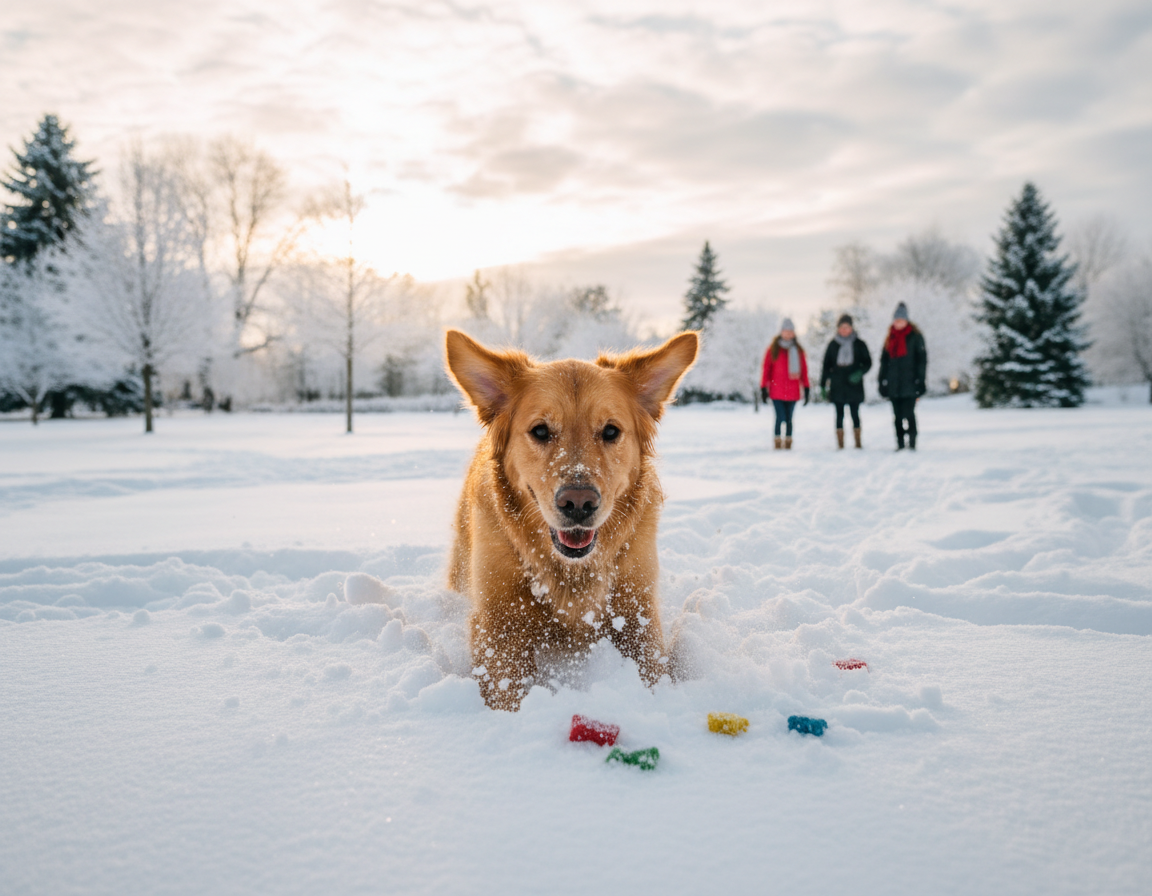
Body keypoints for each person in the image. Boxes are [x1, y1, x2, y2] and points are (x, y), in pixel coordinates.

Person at [878, 302, 928, 450]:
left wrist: (921, 380)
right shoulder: (889, 339)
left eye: (901, 320)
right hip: (894, 383)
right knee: (897, 415)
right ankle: (900, 443)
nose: (898, 322)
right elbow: (884, 362)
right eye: (896, 320)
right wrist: (882, 381)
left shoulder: (915, 337)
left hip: (910, 382)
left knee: (909, 413)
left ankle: (912, 442)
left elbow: (922, 361)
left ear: (906, 321)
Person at [820, 313, 872, 449]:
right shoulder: (832, 345)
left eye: (847, 327)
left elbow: (868, 362)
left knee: (855, 413)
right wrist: (823, 385)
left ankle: (858, 442)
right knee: (839, 414)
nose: (844, 330)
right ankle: (840, 443)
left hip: (854, 385)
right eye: (842, 327)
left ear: (851, 328)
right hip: (837, 385)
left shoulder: (859, 344)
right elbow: (826, 366)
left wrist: (859, 373)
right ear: (838, 328)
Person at [760, 318, 810, 450]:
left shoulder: (798, 350)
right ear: (781, 332)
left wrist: (806, 387)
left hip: (793, 390)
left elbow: (804, 370)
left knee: (789, 418)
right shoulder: (773, 349)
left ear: (793, 333)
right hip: (776, 390)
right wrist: (763, 387)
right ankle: (777, 441)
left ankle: (788, 442)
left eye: (790, 331)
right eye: (786, 331)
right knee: (779, 417)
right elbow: (766, 369)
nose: (788, 334)